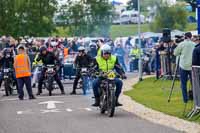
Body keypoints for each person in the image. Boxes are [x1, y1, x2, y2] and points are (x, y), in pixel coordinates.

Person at [174, 32, 195, 103]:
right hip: (192, 66)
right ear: (191, 37)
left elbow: (175, 53)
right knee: (194, 84)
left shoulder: (181, 44)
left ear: (185, 37)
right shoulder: (194, 44)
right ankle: (196, 98)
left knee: (183, 84)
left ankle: (185, 99)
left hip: (183, 66)